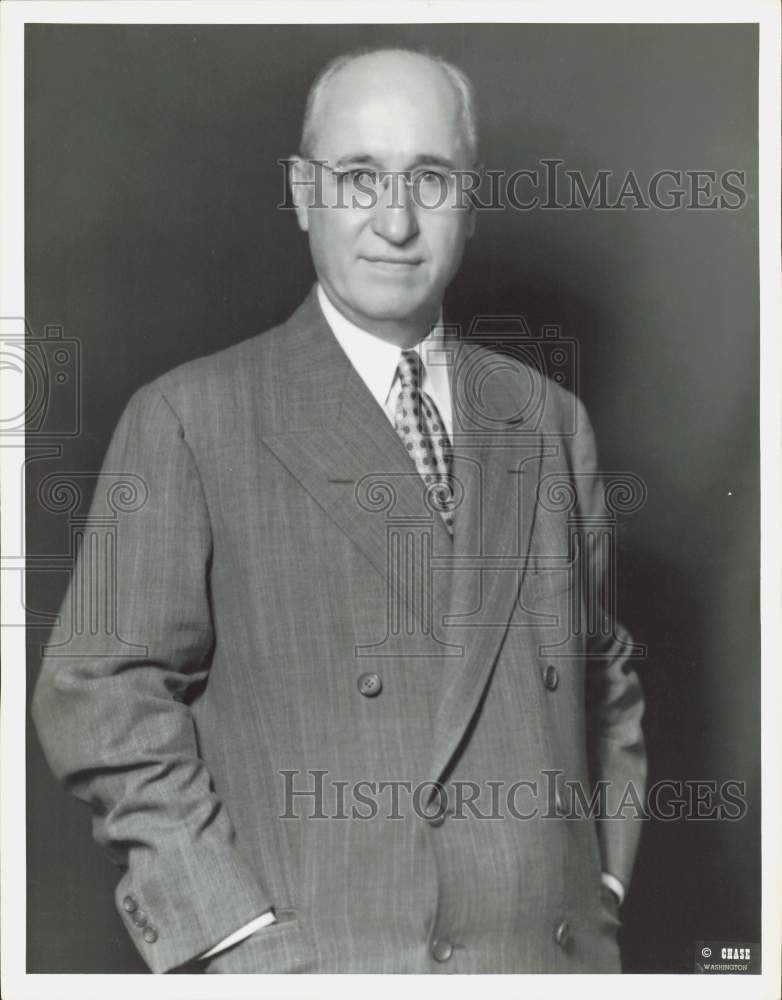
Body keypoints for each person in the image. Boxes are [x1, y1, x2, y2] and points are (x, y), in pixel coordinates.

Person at [32, 47, 646, 974]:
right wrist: (230, 937)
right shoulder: (190, 417)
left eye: (431, 179)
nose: (395, 221)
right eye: (359, 176)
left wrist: (601, 893)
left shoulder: (550, 420)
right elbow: (98, 696)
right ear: (302, 190)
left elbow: (603, 677)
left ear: (471, 201)